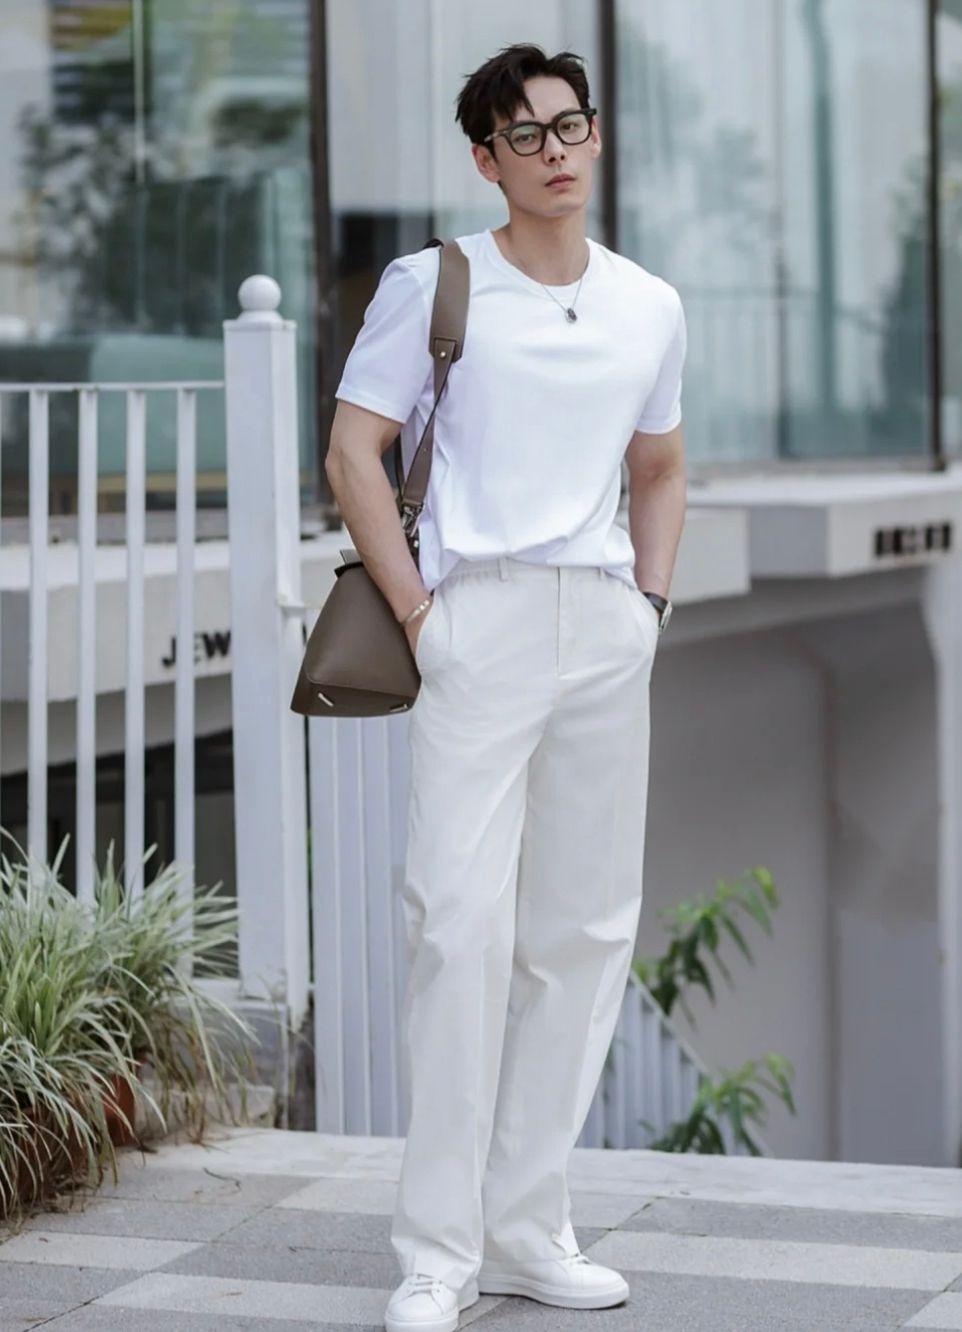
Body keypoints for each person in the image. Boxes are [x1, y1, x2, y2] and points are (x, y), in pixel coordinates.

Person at [325, 41, 688, 1332]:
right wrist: (423, 617)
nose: (554, 151)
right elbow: (354, 452)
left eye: (568, 126)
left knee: (581, 933)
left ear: (594, 136)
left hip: (602, 624)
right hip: (473, 619)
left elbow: (659, 465)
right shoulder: (436, 283)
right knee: (456, 928)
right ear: (486, 159)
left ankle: (529, 1227)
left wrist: (646, 607)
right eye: (524, 134)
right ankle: (437, 1253)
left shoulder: (648, 303)